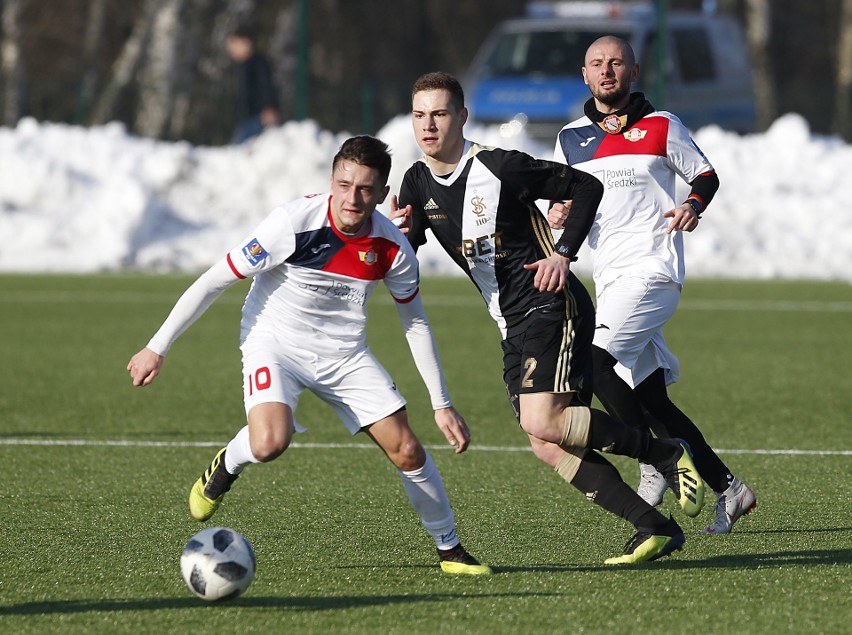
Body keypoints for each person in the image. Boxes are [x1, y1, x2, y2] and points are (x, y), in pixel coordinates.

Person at [127, 135, 491, 576]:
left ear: (380, 193)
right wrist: (156, 347)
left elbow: (414, 322)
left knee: (408, 449)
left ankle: (450, 550)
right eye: (343, 184)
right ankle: (226, 465)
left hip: (344, 355)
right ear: (331, 181)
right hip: (274, 343)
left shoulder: (393, 247)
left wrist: (442, 403)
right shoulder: (292, 223)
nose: (351, 198)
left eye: (364, 189)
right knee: (269, 443)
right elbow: (215, 280)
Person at [391, 71, 705, 565]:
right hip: (510, 322)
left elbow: (584, 186)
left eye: (440, 113)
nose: (428, 125)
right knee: (545, 442)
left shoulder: (499, 167)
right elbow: (408, 256)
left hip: (552, 304)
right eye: (419, 115)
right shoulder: (416, 181)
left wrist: (563, 252)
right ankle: (656, 527)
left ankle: (665, 454)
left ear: (462, 117)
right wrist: (400, 234)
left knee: (544, 418)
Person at [550, 36, 756, 535]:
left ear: (634, 70)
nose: (607, 71)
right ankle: (731, 489)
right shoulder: (570, 139)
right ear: (584, 74)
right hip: (611, 279)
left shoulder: (662, 125)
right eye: (597, 64)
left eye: (616, 62)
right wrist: (557, 212)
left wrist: (692, 205)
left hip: (653, 272)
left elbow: (705, 176)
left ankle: (653, 459)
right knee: (653, 399)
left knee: (594, 364)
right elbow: (561, 204)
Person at [226, 25, 281, 144]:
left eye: (234, 44)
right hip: (246, 118)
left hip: (257, 118)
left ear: (245, 44)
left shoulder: (258, 64)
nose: (230, 49)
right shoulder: (240, 67)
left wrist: (269, 107)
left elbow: (266, 86)